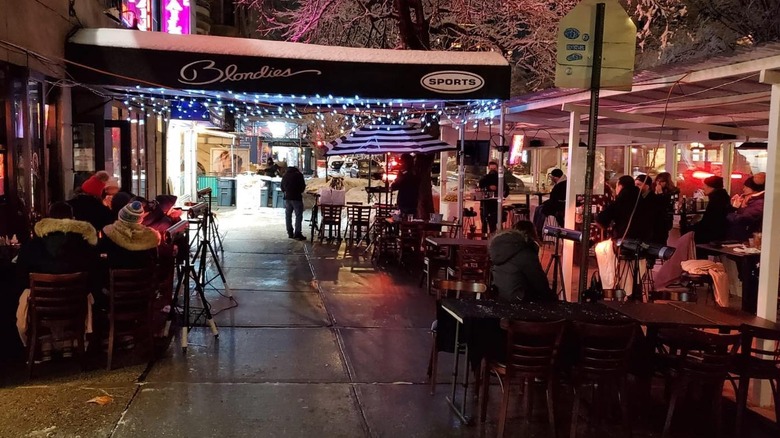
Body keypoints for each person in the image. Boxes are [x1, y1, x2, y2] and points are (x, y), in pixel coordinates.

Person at [15, 202, 101, 358]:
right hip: (75, 305)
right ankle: (72, 342)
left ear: (49, 218)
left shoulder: (33, 245)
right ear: (72, 219)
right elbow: (94, 274)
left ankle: (44, 344)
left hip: (41, 308)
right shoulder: (83, 245)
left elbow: (20, 274)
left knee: (25, 293)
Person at [488, 220, 556, 302]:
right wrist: (553, 298)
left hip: (500, 295)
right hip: (518, 299)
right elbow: (539, 282)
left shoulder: (501, 248)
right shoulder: (525, 252)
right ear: (532, 235)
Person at [100, 201, 160, 270]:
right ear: (140, 219)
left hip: (116, 274)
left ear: (121, 215)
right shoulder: (151, 236)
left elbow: (101, 254)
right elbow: (155, 260)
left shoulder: (109, 232)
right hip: (145, 275)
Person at [692, 176, 731, 244]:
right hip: (721, 232)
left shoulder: (715, 200)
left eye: (705, 185)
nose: (703, 187)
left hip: (711, 235)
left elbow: (709, 219)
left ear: (711, 187)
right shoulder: (723, 198)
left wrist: (693, 227)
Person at [726, 172, 765, 241]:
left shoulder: (759, 202)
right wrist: (736, 206)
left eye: (746, 187)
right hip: (740, 236)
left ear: (754, 189)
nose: (743, 189)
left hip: (748, 238)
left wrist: (733, 211)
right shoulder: (748, 200)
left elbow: (743, 219)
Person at [478, 161, 509, 235]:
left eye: (494, 169)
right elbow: (480, 187)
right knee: (484, 222)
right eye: (491, 169)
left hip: (496, 204)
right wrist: (488, 187)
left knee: (494, 222)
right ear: (488, 168)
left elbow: (506, 190)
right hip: (485, 204)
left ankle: (494, 236)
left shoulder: (500, 178)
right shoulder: (485, 178)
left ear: (497, 169)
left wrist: (498, 189)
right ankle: (484, 238)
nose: (492, 171)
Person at [533, 168, 566, 236]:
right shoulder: (562, 183)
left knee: (540, 210)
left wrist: (545, 204)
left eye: (552, 177)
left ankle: (538, 230)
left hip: (558, 206)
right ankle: (536, 230)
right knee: (539, 208)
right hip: (557, 204)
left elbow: (554, 199)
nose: (551, 179)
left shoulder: (560, 185)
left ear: (555, 177)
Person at [635, 174, 667, 245]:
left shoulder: (654, 199)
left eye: (638, 185)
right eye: (635, 184)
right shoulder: (637, 198)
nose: (635, 187)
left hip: (652, 237)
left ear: (647, 186)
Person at [281, 166, 306, 240]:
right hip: (297, 198)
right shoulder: (299, 175)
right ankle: (297, 233)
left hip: (288, 198)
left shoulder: (285, 175)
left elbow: (282, 187)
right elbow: (302, 187)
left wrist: (287, 191)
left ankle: (290, 233)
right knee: (298, 216)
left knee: (288, 215)